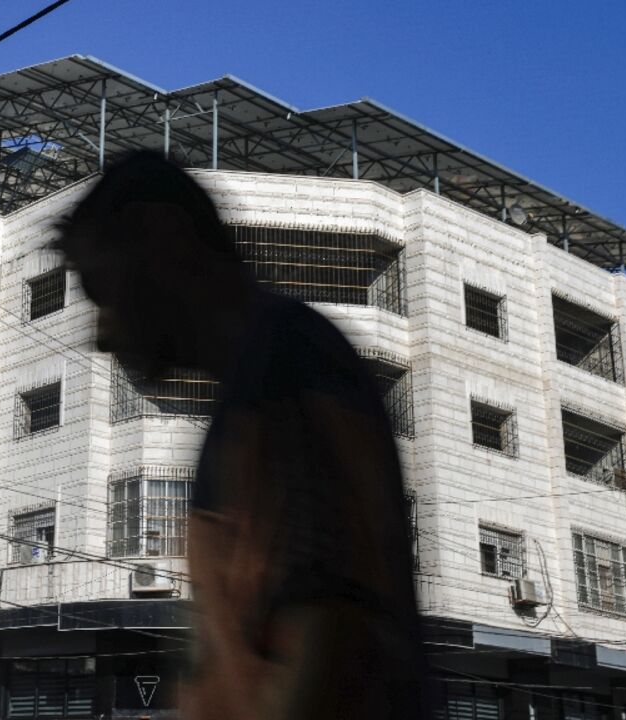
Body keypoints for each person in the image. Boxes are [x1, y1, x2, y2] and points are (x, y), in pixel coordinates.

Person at [57, 151, 427, 719]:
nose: (103, 333)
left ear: (165, 241)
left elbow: (330, 642)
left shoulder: (287, 376)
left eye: (103, 288)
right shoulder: (256, 387)